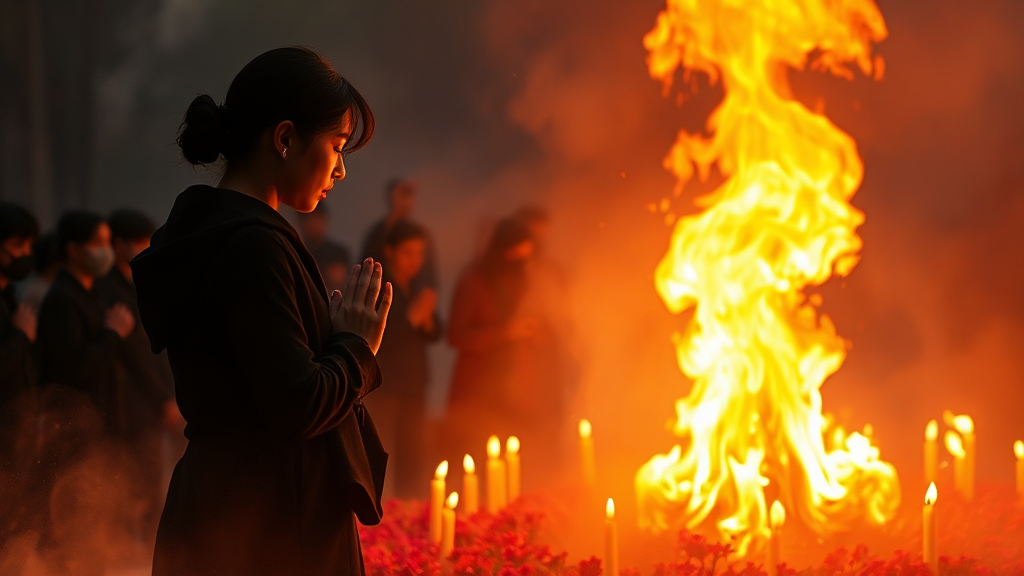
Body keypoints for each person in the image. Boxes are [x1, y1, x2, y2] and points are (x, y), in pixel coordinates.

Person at [130, 47, 390, 576]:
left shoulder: (217, 233)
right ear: (286, 137)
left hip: (228, 508)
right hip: (268, 526)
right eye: (337, 146)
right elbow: (298, 403)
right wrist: (357, 347)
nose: (341, 169)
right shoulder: (251, 246)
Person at [444, 217, 566, 485]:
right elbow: (456, 336)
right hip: (477, 392)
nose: (520, 264)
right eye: (515, 256)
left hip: (514, 393)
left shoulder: (521, 281)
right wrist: (505, 333)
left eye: (525, 258)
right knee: (473, 468)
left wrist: (532, 335)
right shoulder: (473, 281)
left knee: (512, 470)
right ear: (501, 251)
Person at [36, 211, 136, 436]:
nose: (106, 251)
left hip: (102, 419)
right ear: (73, 249)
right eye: (98, 243)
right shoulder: (62, 299)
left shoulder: (92, 292)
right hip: (76, 426)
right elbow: (70, 367)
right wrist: (113, 334)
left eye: (108, 242)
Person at [366, 220, 441, 499]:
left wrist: (427, 320)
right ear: (390, 251)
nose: (415, 260)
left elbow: (435, 332)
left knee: (414, 455)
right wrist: (411, 319)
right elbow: (375, 337)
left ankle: (409, 514)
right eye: (408, 252)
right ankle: (381, 518)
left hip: (415, 384)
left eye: (420, 253)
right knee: (385, 453)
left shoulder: (415, 288)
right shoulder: (380, 289)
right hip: (387, 386)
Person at [95, 209, 180, 439]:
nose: (145, 246)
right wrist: (162, 398)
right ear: (119, 244)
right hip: (131, 401)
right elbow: (135, 350)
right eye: (139, 241)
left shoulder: (136, 282)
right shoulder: (108, 289)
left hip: (152, 399)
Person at [360, 179, 437, 291]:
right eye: (408, 253)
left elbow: (429, 282)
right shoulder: (378, 233)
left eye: (409, 195)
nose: (414, 260)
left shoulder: (422, 234)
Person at [0, 203, 40, 407]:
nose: (25, 253)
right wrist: (20, 336)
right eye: (18, 245)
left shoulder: (9, 296)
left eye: (29, 246)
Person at [299, 202, 352, 293]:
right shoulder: (297, 251)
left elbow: (338, 281)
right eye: (309, 219)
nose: (313, 224)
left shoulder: (337, 252)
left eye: (317, 218)